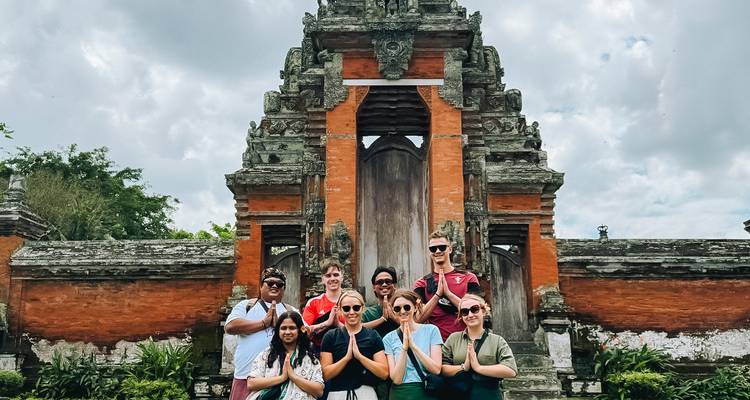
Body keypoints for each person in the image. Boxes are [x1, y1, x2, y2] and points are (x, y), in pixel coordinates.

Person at [225, 268, 297, 400]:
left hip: (279, 377)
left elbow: (305, 333)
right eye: (270, 283)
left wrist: (279, 327)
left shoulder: (291, 311)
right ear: (260, 286)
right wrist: (263, 323)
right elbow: (230, 327)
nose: (275, 286)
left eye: (279, 284)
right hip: (246, 376)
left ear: (284, 289)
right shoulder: (247, 306)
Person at [441, 294, 517, 400]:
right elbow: (441, 368)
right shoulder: (453, 339)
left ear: (484, 311)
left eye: (474, 309)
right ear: (461, 316)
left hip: (488, 394)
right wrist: (463, 367)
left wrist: (478, 368)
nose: (470, 314)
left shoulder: (497, 340)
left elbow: (511, 370)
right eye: (465, 311)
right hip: (458, 394)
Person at [320, 290, 389, 400]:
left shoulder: (372, 336)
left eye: (356, 307)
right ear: (340, 310)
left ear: (362, 308)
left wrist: (360, 357)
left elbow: (384, 372)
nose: (351, 312)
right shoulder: (331, 336)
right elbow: (325, 374)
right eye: (346, 308)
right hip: (337, 394)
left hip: (366, 393)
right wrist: (346, 358)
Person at [414, 231, 481, 340]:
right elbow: (417, 318)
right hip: (437, 344)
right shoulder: (422, 283)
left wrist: (448, 294)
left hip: (467, 340)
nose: (438, 251)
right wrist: (437, 295)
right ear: (429, 252)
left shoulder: (468, 278)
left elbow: (477, 310)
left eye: (442, 247)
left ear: (450, 249)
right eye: (433, 249)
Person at [246, 311, 324, 400]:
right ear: (278, 331)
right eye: (283, 328)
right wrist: (282, 378)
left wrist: (293, 377)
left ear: (300, 329)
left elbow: (319, 391)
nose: (287, 332)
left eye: (292, 328)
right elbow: (251, 383)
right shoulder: (267, 354)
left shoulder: (309, 357)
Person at [382, 289, 442, 400]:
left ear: (415, 307)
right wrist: (404, 349)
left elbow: (436, 369)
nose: (402, 311)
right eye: (397, 308)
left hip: (425, 390)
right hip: (400, 392)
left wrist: (413, 346)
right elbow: (396, 379)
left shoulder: (431, 330)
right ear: (393, 311)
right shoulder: (388, 338)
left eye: (407, 307)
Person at [303, 259, 345, 351]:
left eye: (336, 275)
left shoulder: (351, 301)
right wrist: (327, 323)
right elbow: (305, 332)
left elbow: (358, 331)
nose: (332, 278)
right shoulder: (313, 303)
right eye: (328, 275)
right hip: (320, 350)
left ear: (342, 277)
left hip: (346, 348)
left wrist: (338, 324)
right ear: (322, 279)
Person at [362, 266, 400, 338]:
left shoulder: (404, 308)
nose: (384, 284)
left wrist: (394, 318)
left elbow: (415, 328)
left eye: (388, 282)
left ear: (394, 285)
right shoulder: (367, 313)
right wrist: (382, 319)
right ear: (374, 287)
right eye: (380, 282)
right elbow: (354, 329)